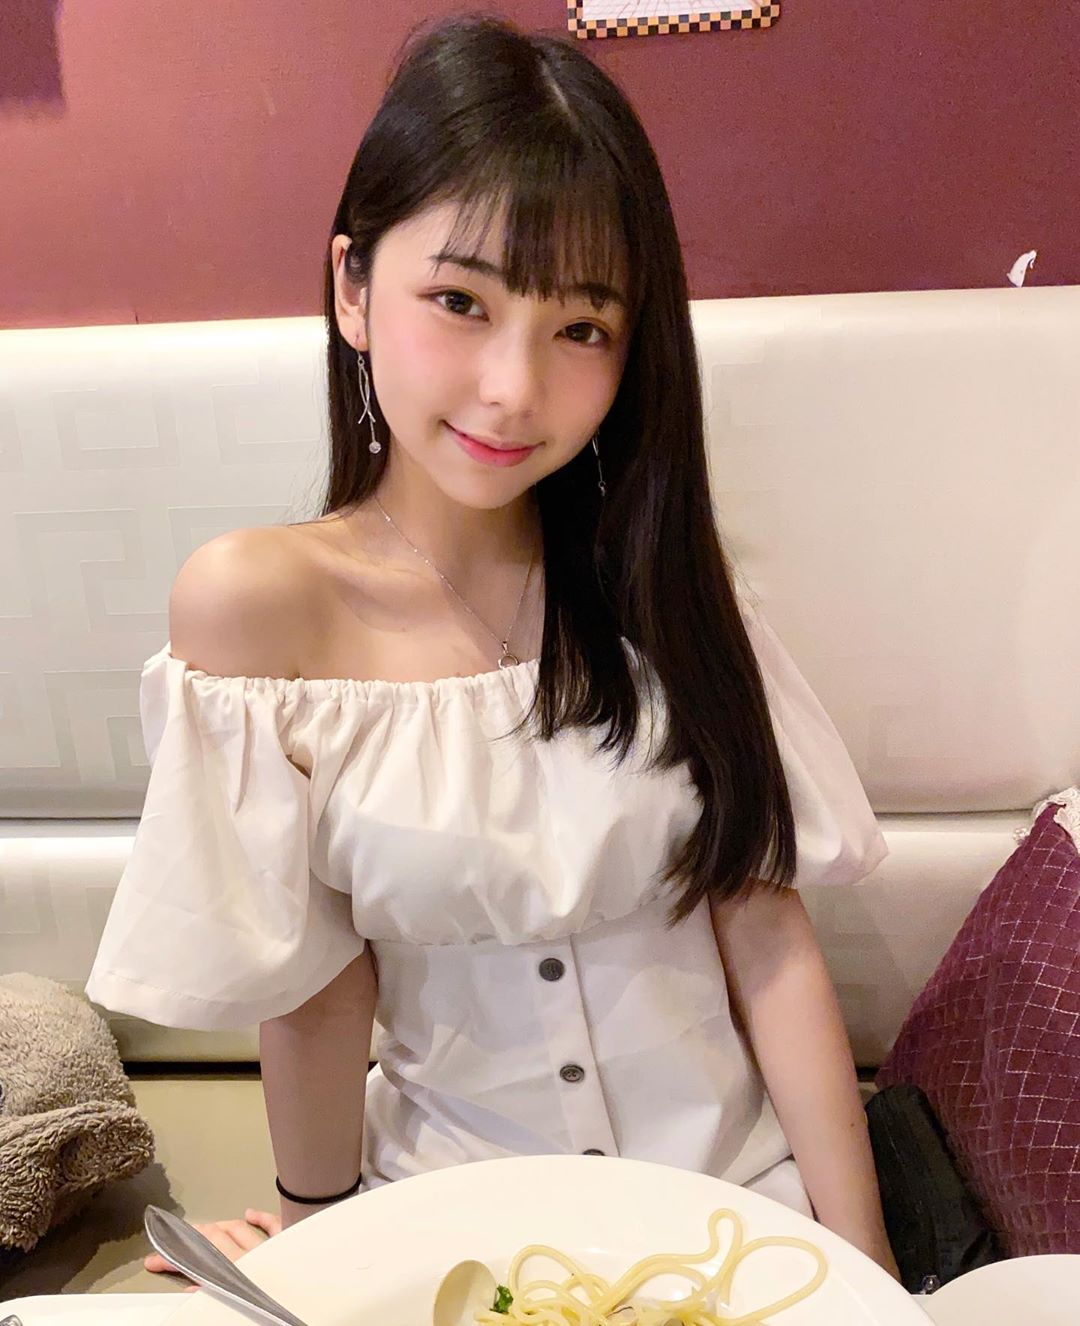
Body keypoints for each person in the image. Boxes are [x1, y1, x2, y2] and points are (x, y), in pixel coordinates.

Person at [86, 13, 899, 1283]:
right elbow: (313, 985)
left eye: (582, 327)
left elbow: (764, 931)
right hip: (451, 1235)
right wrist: (315, 1245)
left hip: (738, 1217)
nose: (515, 388)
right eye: (460, 301)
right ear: (353, 289)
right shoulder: (258, 610)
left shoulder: (662, 582)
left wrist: (867, 1272)